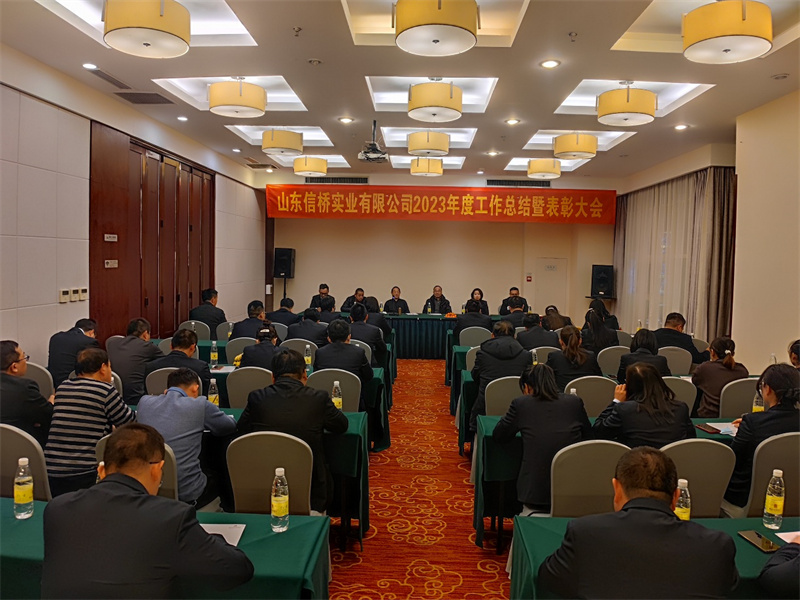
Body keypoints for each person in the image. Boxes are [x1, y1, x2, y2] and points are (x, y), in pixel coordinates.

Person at [41, 423, 253, 598]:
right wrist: (210, 539)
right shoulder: (171, 518)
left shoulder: (57, 509)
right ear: (157, 469)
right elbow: (236, 571)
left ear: (102, 470)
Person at [538, 447, 739, 599]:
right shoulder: (718, 545)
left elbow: (550, 578)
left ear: (616, 488)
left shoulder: (585, 533)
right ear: (676, 497)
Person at [236, 349, 348, 513]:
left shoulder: (257, 398)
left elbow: (241, 430)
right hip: (311, 487)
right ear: (304, 374)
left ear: (272, 377)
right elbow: (341, 425)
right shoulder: (318, 398)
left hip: (263, 483)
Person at [493, 364, 591, 513]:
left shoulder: (521, 404)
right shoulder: (574, 402)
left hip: (535, 491)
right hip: (572, 488)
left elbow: (500, 435)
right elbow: (589, 436)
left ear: (527, 388)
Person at [137, 368, 237, 509]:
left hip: (149, 487)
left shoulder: (144, 402)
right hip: (189, 491)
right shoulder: (200, 404)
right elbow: (228, 426)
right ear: (196, 388)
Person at [45, 348, 135, 497]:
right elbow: (129, 423)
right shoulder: (106, 391)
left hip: (52, 473)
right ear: (103, 368)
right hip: (87, 474)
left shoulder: (63, 387)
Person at [724, 363, 800, 508]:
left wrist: (746, 427)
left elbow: (733, 460)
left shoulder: (753, 422)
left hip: (746, 500)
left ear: (768, 389)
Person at [593, 363, 695, 448]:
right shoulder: (681, 408)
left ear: (630, 386)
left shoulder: (624, 409)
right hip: (672, 463)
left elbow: (598, 432)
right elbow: (690, 440)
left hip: (636, 463)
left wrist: (616, 401)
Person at [469, 320, 533, 433]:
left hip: (485, 405)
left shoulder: (482, 354)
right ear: (514, 336)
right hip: (520, 407)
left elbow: (475, 376)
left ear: (492, 335)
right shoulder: (526, 355)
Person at [0, 340, 54, 447]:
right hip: (20, 448)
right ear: (14, 367)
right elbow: (48, 415)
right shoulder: (25, 388)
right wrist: (51, 402)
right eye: (24, 358)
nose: (26, 361)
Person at [313, 319, 373, 405]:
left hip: (325, 401)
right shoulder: (358, 352)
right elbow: (369, 376)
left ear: (328, 338)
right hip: (353, 400)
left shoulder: (320, 352)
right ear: (349, 336)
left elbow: (316, 376)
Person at [107, 317, 164, 404]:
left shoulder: (112, 344)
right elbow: (164, 363)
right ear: (145, 334)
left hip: (111, 396)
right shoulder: (148, 347)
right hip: (136, 399)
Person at [692, 337, 749, 418]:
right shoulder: (742, 370)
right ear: (733, 353)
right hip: (735, 417)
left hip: (709, 416)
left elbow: (695, 381)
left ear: (712, 352)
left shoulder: (704, 368)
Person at [145, 329, 212, 396]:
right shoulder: (200, 368)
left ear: (171, 346)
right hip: (190, 403)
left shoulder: (151, 367)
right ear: (192, 347)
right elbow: (208, 395)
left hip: (158, 402)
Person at [47, 318, 100, 388]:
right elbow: (94, 367)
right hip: (75, 386)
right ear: (91, 332)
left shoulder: (55, 337)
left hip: (53, 385)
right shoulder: (89, 341)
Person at [545, 326, 602, 390]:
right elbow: (599, 378)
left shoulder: (554, 357)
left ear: (561, 342)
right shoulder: (590, 356)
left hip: (563, 395)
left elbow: (546, 379)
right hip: (587, 394)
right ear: (580, 341)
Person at [349, 303, 386, 367]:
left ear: (350, 318)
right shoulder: (374, 330)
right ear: (366, 317)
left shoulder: (344, 329)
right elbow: (383, 349)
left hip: (349, 364)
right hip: (369, 365)